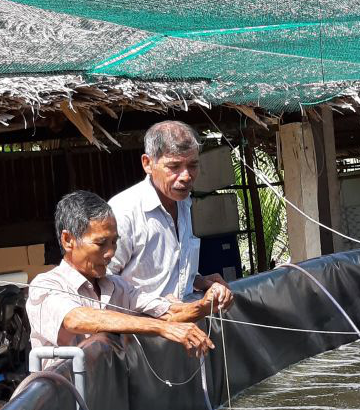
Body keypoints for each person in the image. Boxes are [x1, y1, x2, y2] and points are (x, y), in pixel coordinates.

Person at [27, 190, 220, 355]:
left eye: (114, 242)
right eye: (101, 243)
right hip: (65, 397)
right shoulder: (45, 285)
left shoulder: (118, 286)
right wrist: (161, 327)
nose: (111, 253)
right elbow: (76, 318)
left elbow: (167, 311)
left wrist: (205, 305)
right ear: (68, 240)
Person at [108, 120, 236, 311]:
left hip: (180, 330)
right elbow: (101, 282)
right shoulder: (124, 211)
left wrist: (199, 281)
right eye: (174, 166)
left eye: (193, 165)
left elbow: (169, 274)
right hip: (137, 335)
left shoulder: (184, 203)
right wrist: (156, 305)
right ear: (148, 164)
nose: (186, 176)